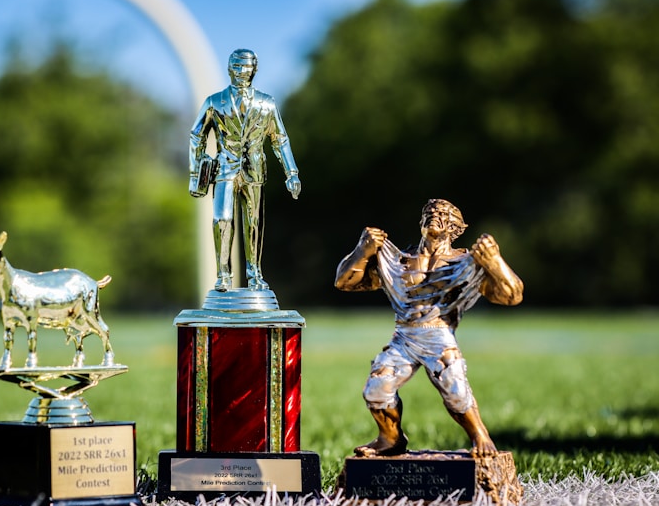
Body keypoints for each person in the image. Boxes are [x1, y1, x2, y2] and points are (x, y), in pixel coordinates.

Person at [334, 199, 523, 457]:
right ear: (421, 221)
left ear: (456, 228)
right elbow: (344, 282)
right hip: (404, 334)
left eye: (443, 214)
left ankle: (480, 435)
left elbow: (512, 296)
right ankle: (390, 438)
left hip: (439, 332)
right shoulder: (399, 261)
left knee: (455, 388)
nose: (435, 216)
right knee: (376, 388)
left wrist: (495, 262)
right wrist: (362, 251)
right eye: (429, 213)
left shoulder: (465, 263)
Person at [189, 49, 301, 292]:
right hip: (224, 169)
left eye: (247, 67)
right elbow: (196, 135)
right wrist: (194, 171)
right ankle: (223, 274)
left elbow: (279, 139)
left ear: (255, 70)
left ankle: (254, 274)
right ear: (229, 69)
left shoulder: (267, 102)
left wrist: (291, 172)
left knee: (254, 223)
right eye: (237, 66)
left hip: (254, 170)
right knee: (222, 220)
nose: (242, 72)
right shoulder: (214, 101)